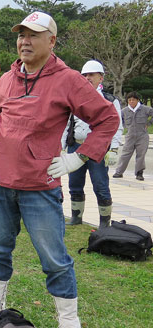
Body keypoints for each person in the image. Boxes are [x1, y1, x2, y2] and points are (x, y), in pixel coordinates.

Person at [0, 12, 119, 328]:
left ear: (51, 41)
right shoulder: (6, 78)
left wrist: (79, 158)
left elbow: (107, 119)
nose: (25, 41)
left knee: (56, 261)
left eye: (34, 34)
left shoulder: (67, 80)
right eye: (21, 34)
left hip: (39, 186)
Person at [61, 60, 123, 228]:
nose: (87, 78)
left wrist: (114, 149)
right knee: (74, 183)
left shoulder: (110, 100)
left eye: (91, 75)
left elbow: (117, 126)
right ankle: (76, 217)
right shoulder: (74, 98)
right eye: (85, 75)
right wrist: (62, 148)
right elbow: (67, 124)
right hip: (76, 145)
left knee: (100, 185)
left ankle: (104, 222)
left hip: (99, 149)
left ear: (101, 78)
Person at [113, 91, 153, 181]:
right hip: (130, 136)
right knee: (125, 154)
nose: (131, 102)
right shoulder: (124, 111)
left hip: (142, 136)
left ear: (138, 100)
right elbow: (119, 120)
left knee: (141, 155)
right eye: (129, 100)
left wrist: (149, 123)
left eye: (133, 100)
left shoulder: (145, 109)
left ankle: (139, 173)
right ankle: (119, 172)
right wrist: (123, 127)